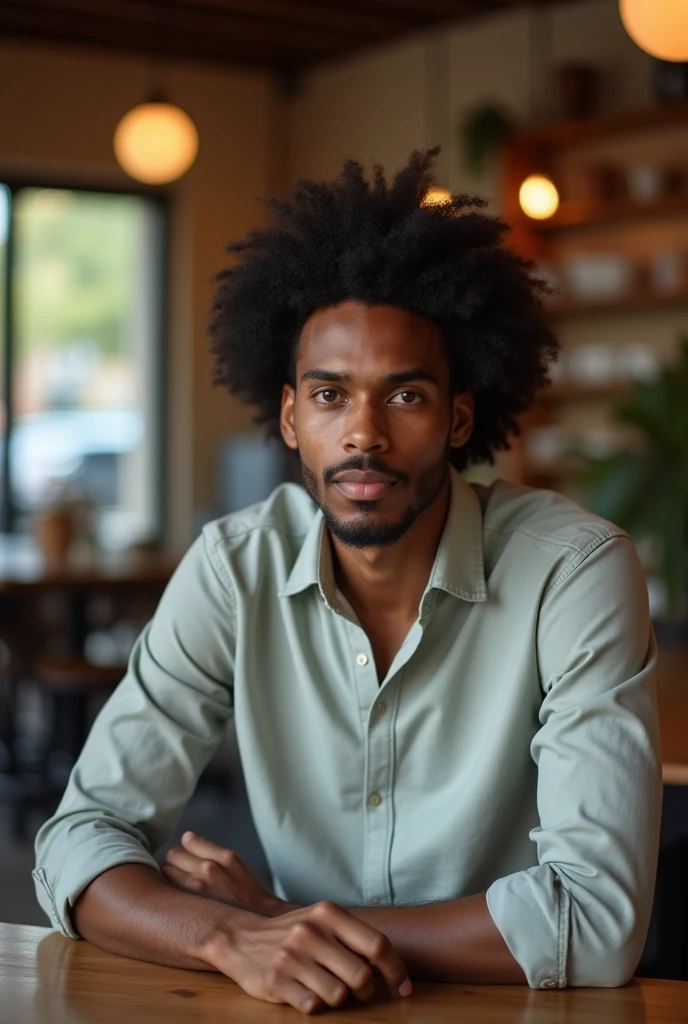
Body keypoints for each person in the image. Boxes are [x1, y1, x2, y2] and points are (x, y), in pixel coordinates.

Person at [33, 150, 661, 1014]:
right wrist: (230, 935)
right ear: (291, 418)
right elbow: (76, 842)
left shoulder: (575, 570)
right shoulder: (233, 569)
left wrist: (286, 919)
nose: (362, 434)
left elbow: (594, 922)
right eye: (330, 396)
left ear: (458, 418)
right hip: (296, 1003)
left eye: (403, 397)